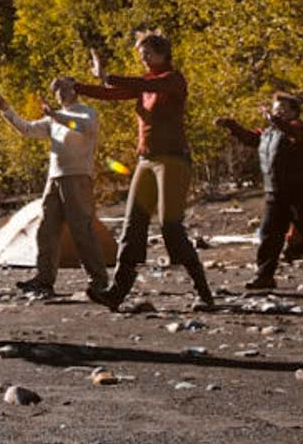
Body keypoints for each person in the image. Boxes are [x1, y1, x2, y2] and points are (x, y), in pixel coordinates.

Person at [74, 32, 215, 310]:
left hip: (173, 160)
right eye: (141, 53)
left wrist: (107, 75)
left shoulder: (173, 80)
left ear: (163, 54)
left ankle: (204, 293)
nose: (143, 57)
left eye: (148, 52)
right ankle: (117, 292)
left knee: (170, 226)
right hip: (146, 161)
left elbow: (134, 83)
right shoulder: (146, 84)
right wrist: (76, 86)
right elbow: (112, 95)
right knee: (132, 224)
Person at [216, 93, 303, 291]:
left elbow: (292, 132)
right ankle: (264, 277)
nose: (278, 112)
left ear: (294, 112)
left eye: (283, 109)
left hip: (300, 193)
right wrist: (232, 126)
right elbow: (252, 139)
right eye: (276, 108)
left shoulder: (300, 128)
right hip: (275, 192)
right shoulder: (269, 133)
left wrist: (274, 119)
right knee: (269, 236)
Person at [0, 78, 107, 299]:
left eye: (64, 89)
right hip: (54, 179)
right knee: (47, 230)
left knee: (82, 231)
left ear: (75, 90)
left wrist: (55, 115)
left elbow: (82, 127)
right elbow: (27, 129)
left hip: (77, 178)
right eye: (57, 91)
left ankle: (99, 282)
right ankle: (44, 280)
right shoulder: (54, 119)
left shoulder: (86, 112)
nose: (60, 94)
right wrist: (6, 110)